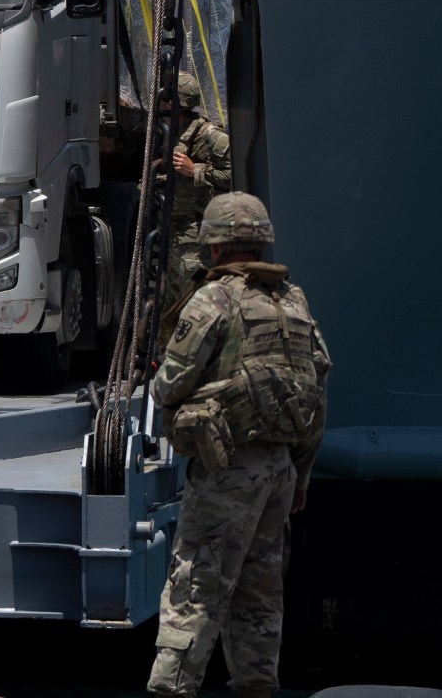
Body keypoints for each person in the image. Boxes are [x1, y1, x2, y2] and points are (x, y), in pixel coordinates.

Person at [147, 193, 332, 698]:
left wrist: (158, 384)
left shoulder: (216, 298)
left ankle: (171, 693)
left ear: (213, 244)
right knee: (259, 594)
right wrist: (302, 474)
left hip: (228, 469)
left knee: (195, 590)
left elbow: (170, 386)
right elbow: (316, 388)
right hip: (280, 470)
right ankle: (256, 689)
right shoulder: (292, 300)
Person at [160, 70, 232, 324]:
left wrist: (196, 170)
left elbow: (235, 173)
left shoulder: (208, 135)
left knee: (195, 303)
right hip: (173, 232)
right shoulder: (172, 132)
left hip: (195, 233)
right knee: (170, 306)